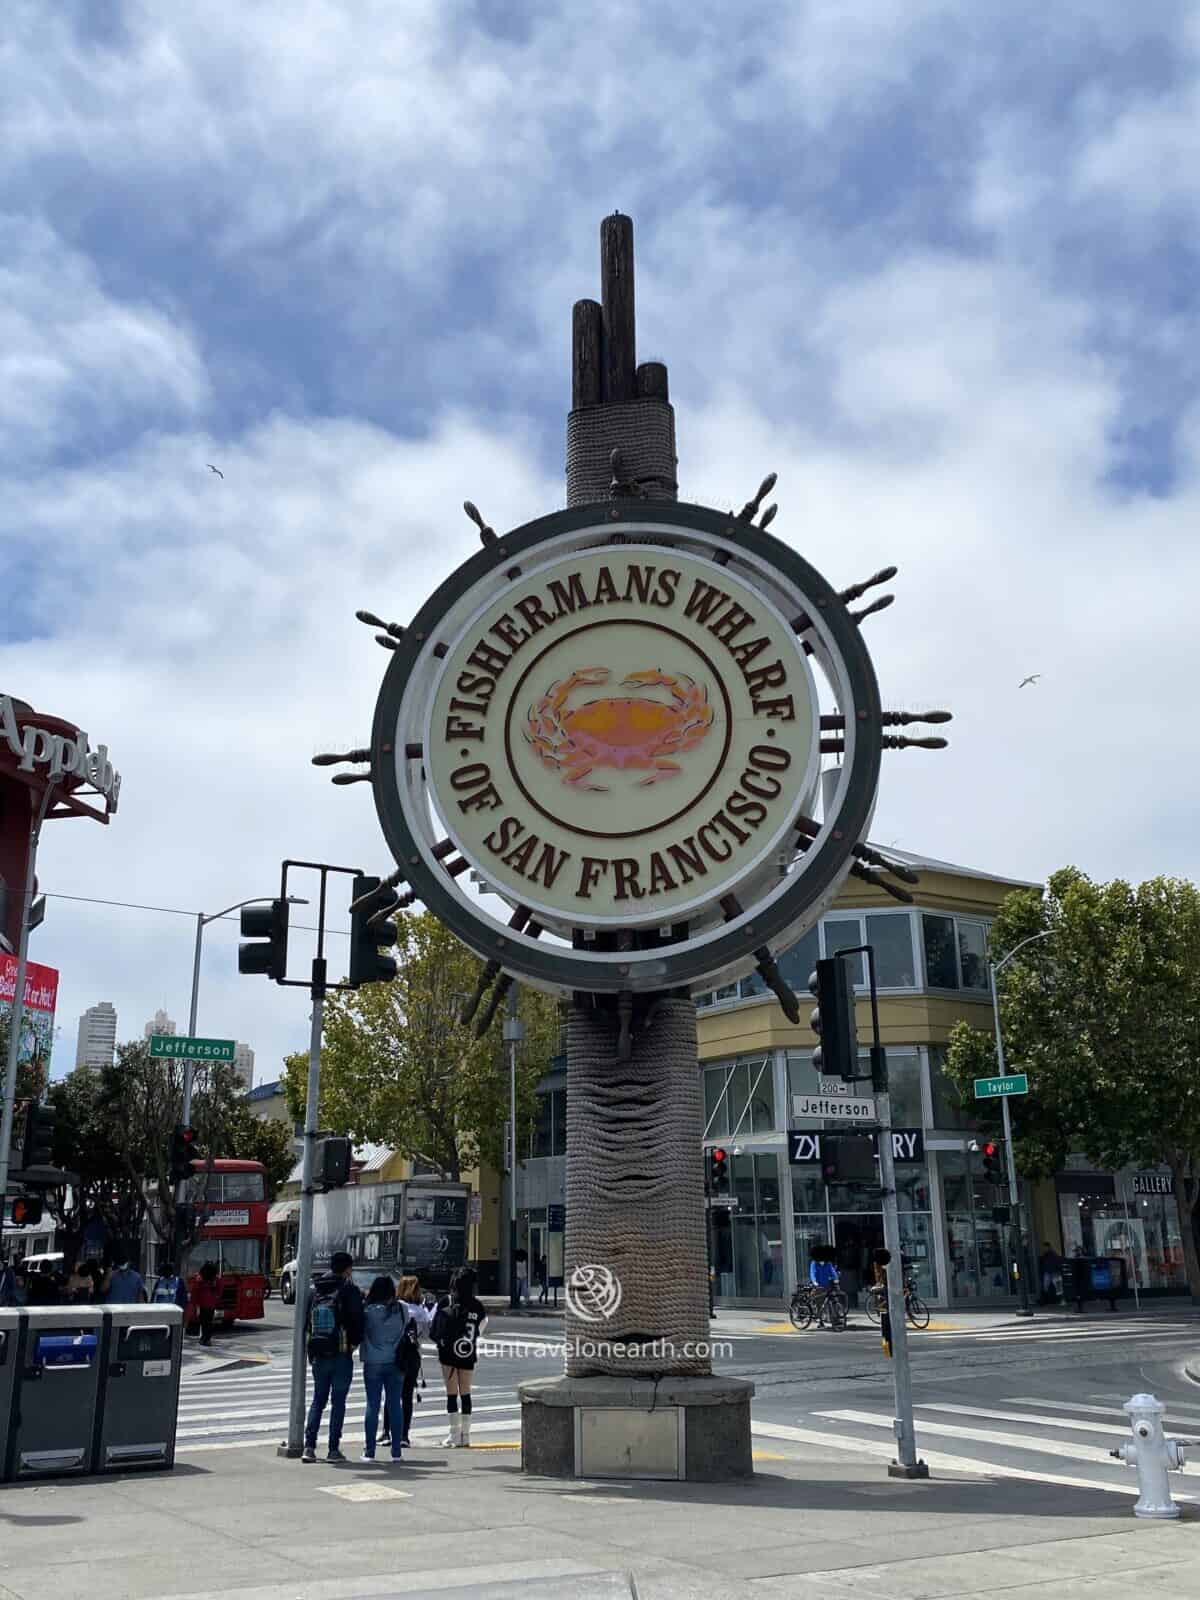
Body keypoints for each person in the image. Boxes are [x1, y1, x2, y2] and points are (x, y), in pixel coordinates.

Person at [303, 1251, 365, 1464]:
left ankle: (309, 1447)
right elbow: (358, 1321)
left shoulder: (315, 1290)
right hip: (341, 1353)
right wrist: (353, 1344)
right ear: (347, 1268)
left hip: (319, 1352)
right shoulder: (349, 1290)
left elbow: (306, 1323)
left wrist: (310, 1351)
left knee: (318, 1400)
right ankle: (333, 1449)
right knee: (338, 1402)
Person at [433, 1265, 487, 1448]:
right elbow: (482, 1325)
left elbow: (435, 1328)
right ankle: (466, 1435)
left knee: (451, 1393)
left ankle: (453, 1434)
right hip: (467, 1351)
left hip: (448, 1353)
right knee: (466, 1393)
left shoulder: (446, 1301)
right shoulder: (477, 1305)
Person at [359, 1276, 407, 1462]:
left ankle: (369, 1451)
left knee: (373, 1404)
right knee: (395, 1404)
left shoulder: (368, 1310)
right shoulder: (402, 1309)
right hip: (396, 1361)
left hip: (372, 1361)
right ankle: (396, 1452)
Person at [388, 1275, 432, 1447]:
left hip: (393, 1354)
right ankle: (404, 1434)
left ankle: (387, 1432)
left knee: (391, 1396)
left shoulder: (394, 1308)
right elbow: (428, 1333)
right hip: (412, 1356)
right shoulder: (420, 1312)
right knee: (407, 1396)